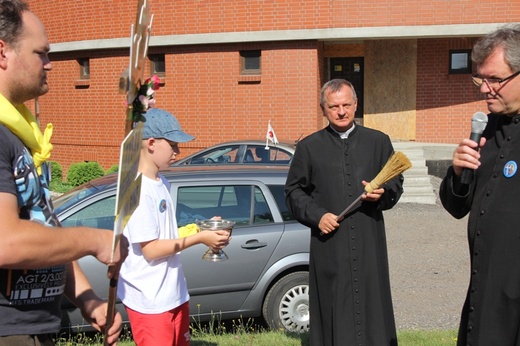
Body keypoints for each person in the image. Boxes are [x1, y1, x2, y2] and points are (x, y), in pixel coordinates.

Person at [0, 1, 127, 345]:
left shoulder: (21, 134)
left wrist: (87, 298)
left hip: (36, 328)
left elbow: (45, 232)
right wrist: (94, 239)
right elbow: (6, 241)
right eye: (41, 53)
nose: (50, 64)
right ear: (2, 52)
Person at [285, 79, 403, 346]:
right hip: (330, 245)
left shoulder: (379, 142)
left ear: (356, 104)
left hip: (368, 241)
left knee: (372, 302)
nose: (341, 111)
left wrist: (382, 193)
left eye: (346, 105)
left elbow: (396, 182)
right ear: (323, 109)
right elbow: (293, 192)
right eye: (334, 106)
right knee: (333, 303)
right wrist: (318, 215)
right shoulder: (309, 147)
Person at [116, 107, 231, 346]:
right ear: (151, 144)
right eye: (173, 145)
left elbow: (164, 235)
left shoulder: (162, 182)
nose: (178, 152)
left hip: (173, 293)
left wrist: (201, 230)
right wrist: (200, 240)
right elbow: (151, 249)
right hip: (150, 300)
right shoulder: (134, 190)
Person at [440, 24, 520, 346]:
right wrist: (459, 174)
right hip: (483, 293)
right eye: (480, 79)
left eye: (495, 79)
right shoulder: (488, 129)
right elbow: (458, 206)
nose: (484, 89)